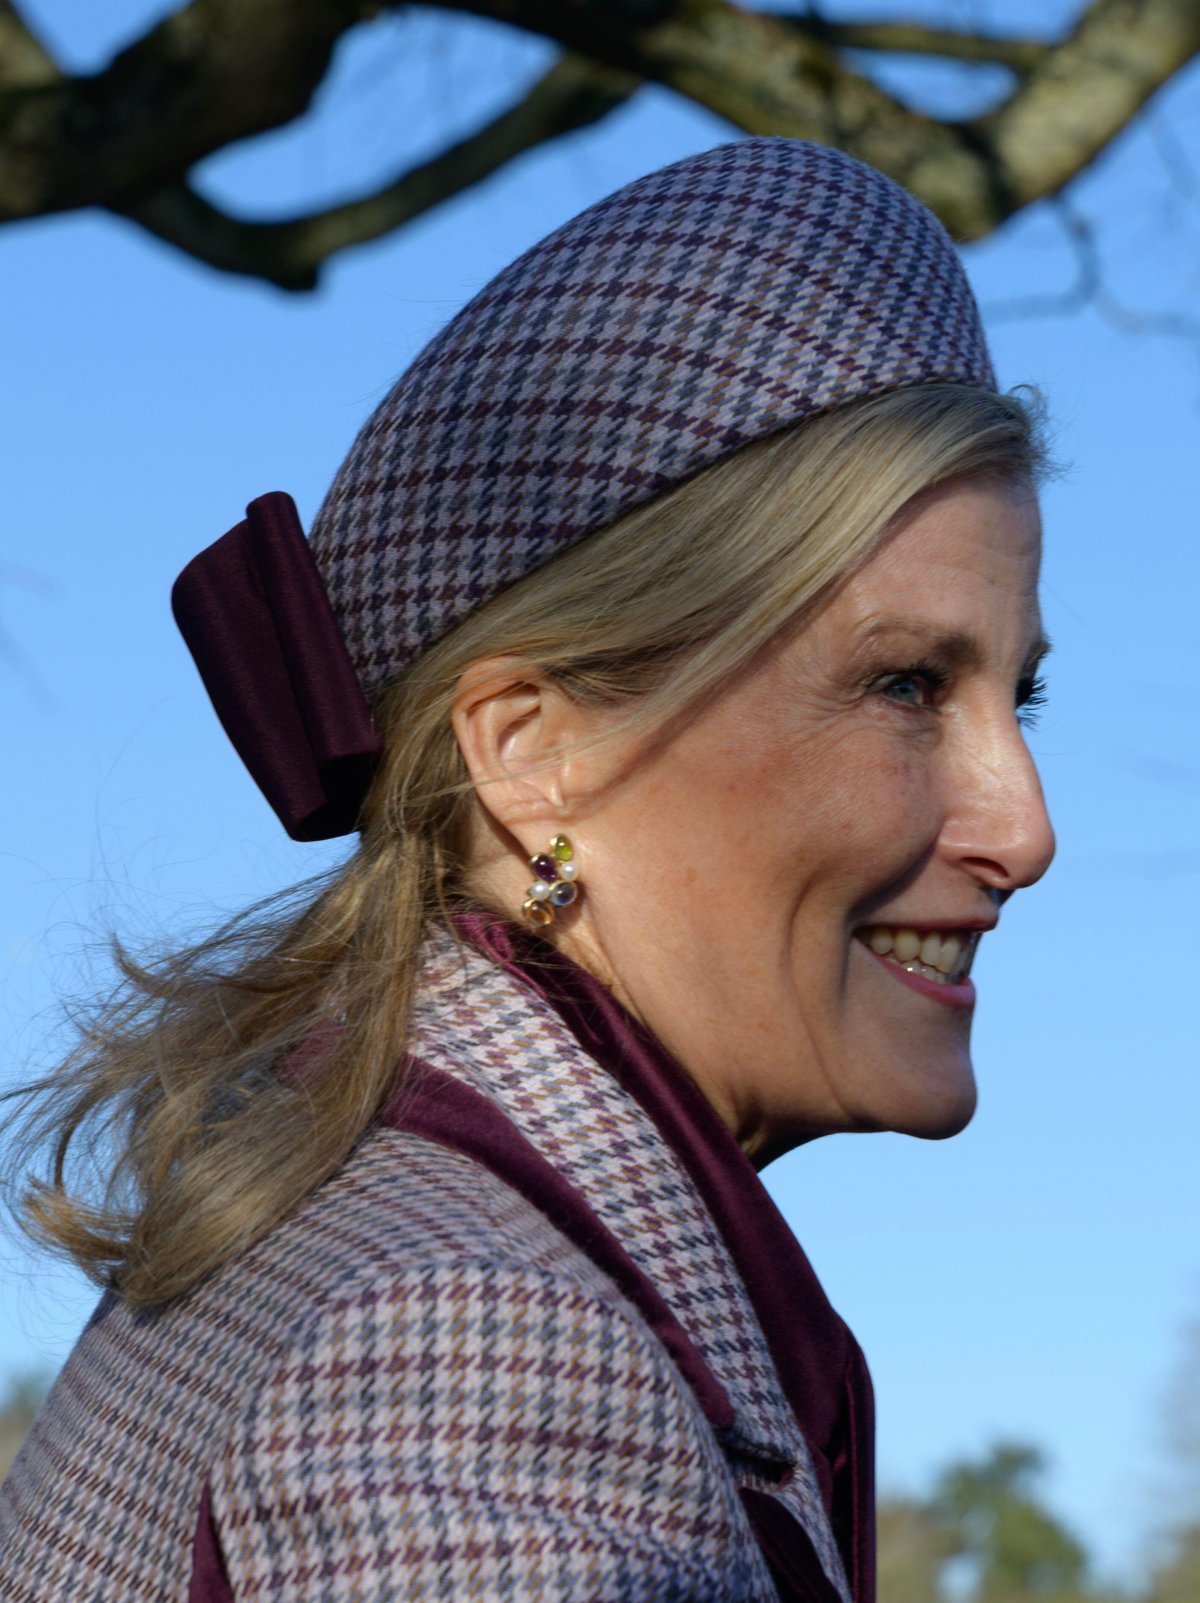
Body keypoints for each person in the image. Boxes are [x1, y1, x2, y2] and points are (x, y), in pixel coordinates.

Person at [0, 138, 1054, 1601]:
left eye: (1021, 696)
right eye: (905, 687)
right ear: (531, 746)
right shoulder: (475, 1348)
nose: (1025, 827)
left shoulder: (384, 1222)